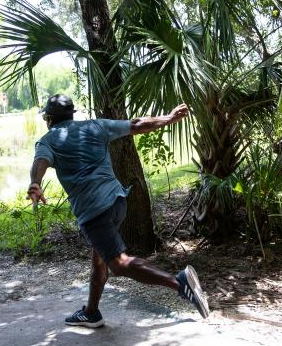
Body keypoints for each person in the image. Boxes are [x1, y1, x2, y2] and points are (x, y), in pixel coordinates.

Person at [27, 94, 210, 328]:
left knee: (118, 264)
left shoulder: (48, 140)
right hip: (117, 201)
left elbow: (40, 161)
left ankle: (179, 283)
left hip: (94, 211)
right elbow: (135, 124)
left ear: (49, 119)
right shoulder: (96, 126)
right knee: (99, 260)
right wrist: (169, 118)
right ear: (71, 114)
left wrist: (36, 182)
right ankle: (91, 312)